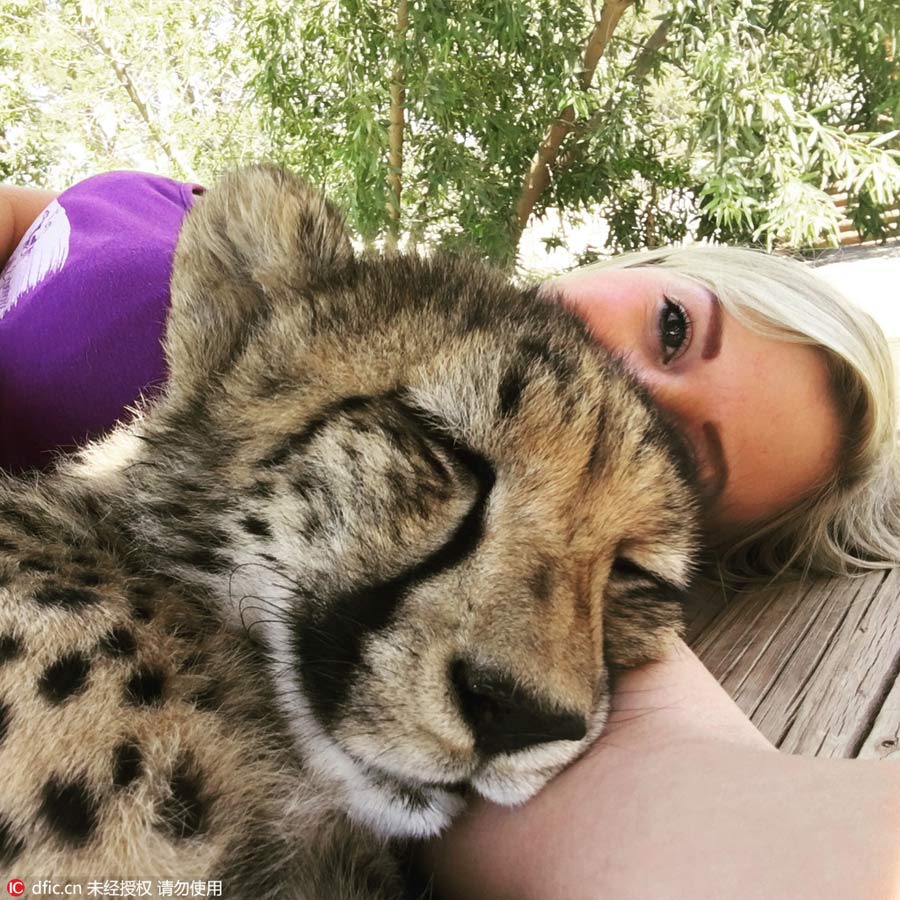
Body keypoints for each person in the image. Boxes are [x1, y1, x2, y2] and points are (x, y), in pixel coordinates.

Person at [2, 174, 900, 898]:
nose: (627, 392)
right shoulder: (270, 271)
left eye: (685, 467)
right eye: (673, 330)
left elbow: (731, 824)